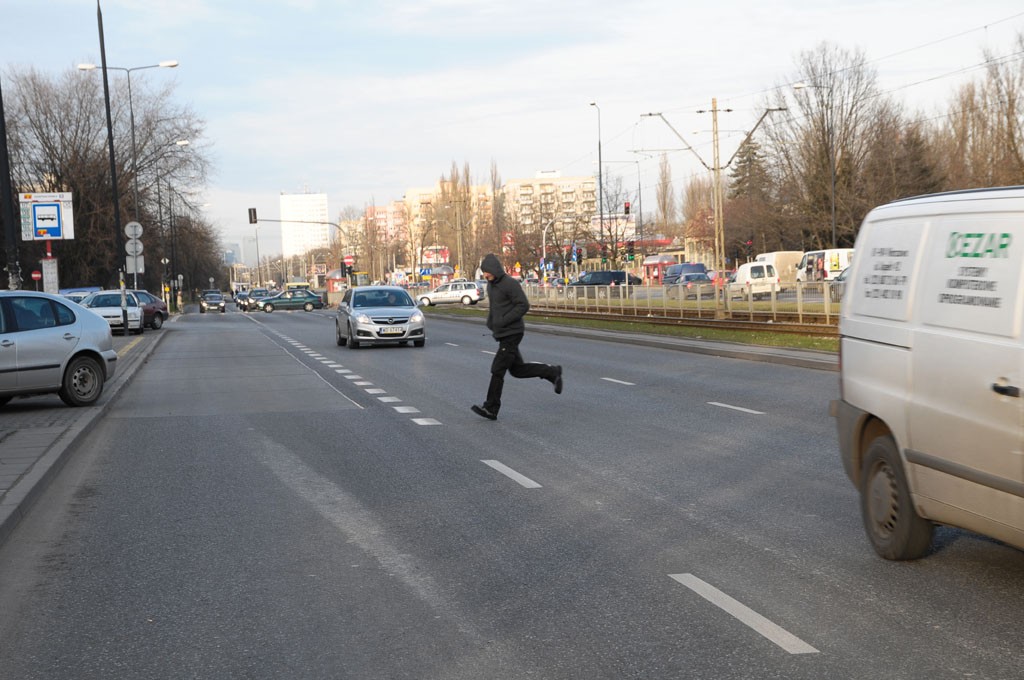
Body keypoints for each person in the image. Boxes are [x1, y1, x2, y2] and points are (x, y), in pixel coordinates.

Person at [472, 253, 563, 421]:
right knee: (517, 370)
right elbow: (496, 308)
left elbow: (523, 305)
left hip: (512, 333)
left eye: (487, 272)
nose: (485, 275)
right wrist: (491, 323)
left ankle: (491, 408)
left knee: (497, 370)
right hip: (502, 333)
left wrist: (504, 321)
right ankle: (552, 372)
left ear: (494, 269)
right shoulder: (491, 286)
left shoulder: (510, 284)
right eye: (483, 272)